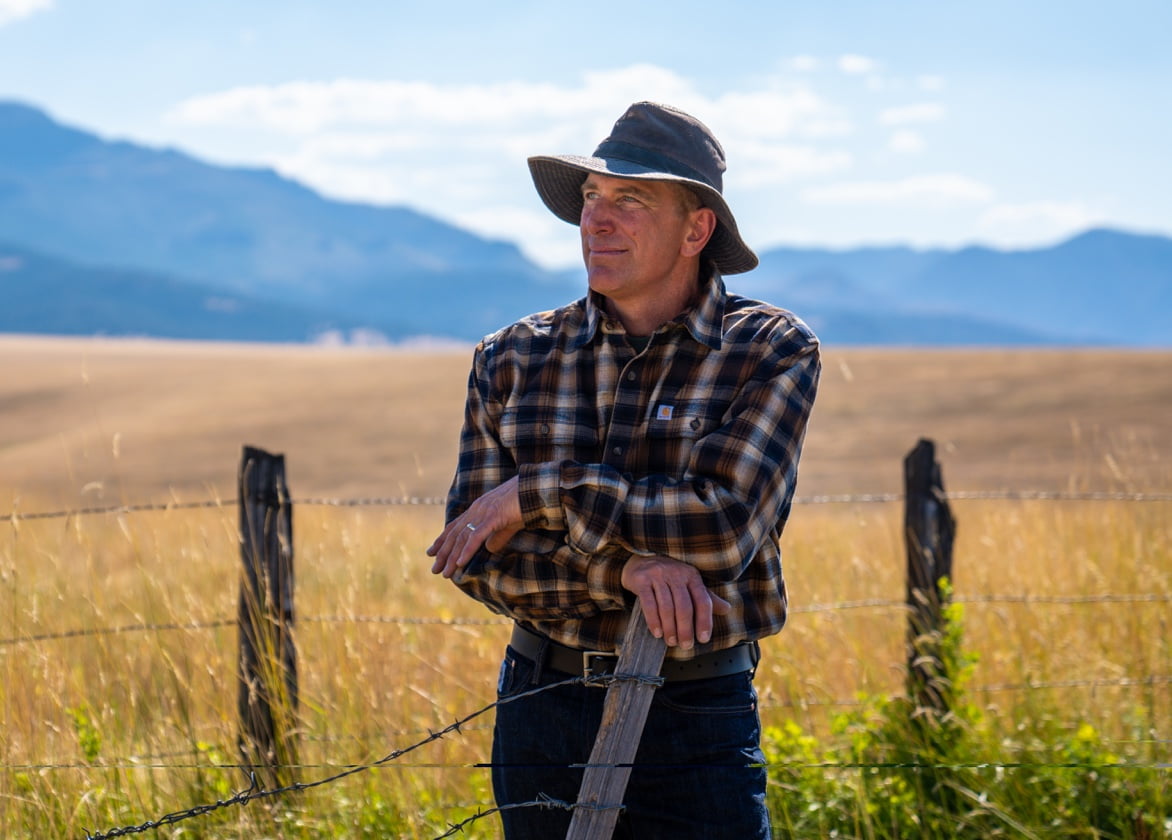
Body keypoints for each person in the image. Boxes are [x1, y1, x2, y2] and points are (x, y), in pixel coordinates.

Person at [428, 101, 820, 839]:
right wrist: (626, 573)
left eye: (630, 200)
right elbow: (474, 552)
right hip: (541, 705)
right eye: (590, 199)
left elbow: (723, 530)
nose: (597, 221)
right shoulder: (512, 357)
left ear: (696, 228)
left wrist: (542, 492)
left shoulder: (767, 350)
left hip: (695, 712)